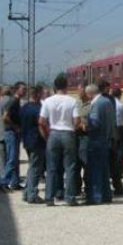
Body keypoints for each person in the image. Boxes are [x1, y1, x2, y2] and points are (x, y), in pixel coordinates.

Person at [40, 75, 81, 207]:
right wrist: (72, 129)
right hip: (68, 133)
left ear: (54, 87)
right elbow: (77, 121)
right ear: (66, 86)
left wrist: (47, 134)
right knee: (70, 167)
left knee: (51, 167)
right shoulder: (72, 101)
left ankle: (49, 197)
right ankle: (70, 197)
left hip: (53, 133)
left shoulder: (48, 101)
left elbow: (41, 121)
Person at [86, 84, 114, 204]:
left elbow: (95, 122)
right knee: (104, 169)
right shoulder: (107, 101)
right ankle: (107, 194)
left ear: (90, 93)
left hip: (96, 139)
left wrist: (85, 126)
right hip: (106, 139)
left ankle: (96, 196)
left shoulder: (96, 104)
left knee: (95, 169)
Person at [20, 85, 45, 204]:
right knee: (35, 168)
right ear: (38, 94)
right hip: (37, 140)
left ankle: (27, 192)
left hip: (26, 140)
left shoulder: (24, 107)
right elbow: (41, 124)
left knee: (31, 167)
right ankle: (32, 194)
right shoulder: (38, 109)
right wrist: (46, 137)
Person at [1, 81, 26, 192]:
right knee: (11, 159)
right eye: (23, 89)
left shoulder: (17, 101)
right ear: (17, 90)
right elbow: (5, 117)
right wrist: (15, 127)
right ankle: (3, 182)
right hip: (11, 132)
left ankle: (15, 182)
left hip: (14, 133)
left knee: (15, 159)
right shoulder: (13, 101)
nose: (25, 91)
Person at [74, 81, 91, 196]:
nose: (78, 92)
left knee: (86, 162)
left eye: (79, 90)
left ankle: (88, 188)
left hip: (86, 136)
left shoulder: (91, 104)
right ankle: (77, 188)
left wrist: (82, 125)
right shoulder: (76, 103)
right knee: (76, 164)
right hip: (76, 136)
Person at [110, 86, 123, 195]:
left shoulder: (108, 104)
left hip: (111, 129)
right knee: (120, 154)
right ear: (120, 95)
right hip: (119, 129)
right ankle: (119, 175)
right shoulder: (121, 105)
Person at [0, 85, 11, 183]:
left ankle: (2, 177)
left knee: (1, 158)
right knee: (10, 156)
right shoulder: (11, 101)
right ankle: (10, 176)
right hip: (9, 131)